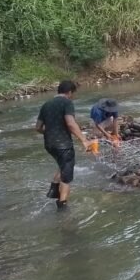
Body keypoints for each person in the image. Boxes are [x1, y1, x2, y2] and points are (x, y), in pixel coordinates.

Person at [35, 80, 93, 210]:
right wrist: (84, 140)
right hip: (63, 145)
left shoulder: (46, 104)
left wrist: (49, 132)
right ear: (69, 92)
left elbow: (38, 127)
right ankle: (62, 205)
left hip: (49, 144)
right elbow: (71, 123)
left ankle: (53, 190)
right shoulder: (67, 103)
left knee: (62, 166)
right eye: (73, 94)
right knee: (67, 177)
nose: (72, 96)